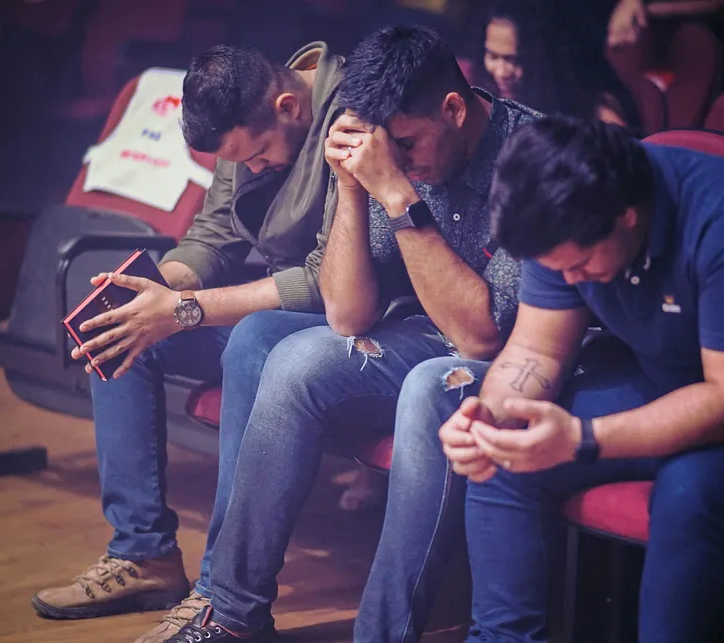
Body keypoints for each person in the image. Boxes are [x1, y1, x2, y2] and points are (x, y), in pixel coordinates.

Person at [400, 116, 724, 643]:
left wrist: (581, 440)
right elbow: (537, 348)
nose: (570, 282)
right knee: (507, 456)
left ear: (627, 217)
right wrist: (489, 419)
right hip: (678, 382)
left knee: (690, 490)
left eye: (582, 264)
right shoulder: (557, 212)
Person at [159, 24, 539, 643]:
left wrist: (396, 193)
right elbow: (347, 316)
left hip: (520, 350)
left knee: (426, 383)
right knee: (289, 358)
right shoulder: (389, 146)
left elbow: (481, 332)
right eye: (395, 150)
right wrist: (350, 186)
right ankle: (230, 611)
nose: (405, 159)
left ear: (453, 107)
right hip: (419, 330)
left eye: (411, 144)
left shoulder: (530, 154)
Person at [30, 41, 346, 643]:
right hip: (280, 300)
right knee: (125, 323)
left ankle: (219, 593)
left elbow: (328, 279)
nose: (249, 167)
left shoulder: (351, 117)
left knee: (251, 340)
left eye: (254, 157)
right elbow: (216, 231)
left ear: (289, 106)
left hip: (350, 314)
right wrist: (156, 290)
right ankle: (142, 553)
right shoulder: (247, 115)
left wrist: (183, 308)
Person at [477, 0, 640, 127]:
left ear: (540, 58)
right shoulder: (483, 108)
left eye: (513, 60)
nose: (500, 72)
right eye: (492, 56)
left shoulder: (593, 114)